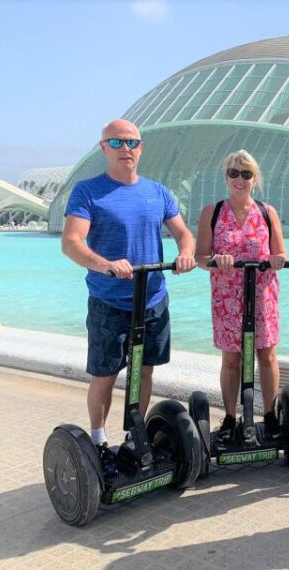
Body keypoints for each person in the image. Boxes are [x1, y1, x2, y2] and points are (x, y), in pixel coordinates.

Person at [62, 118, 196, 475]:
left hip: (152, 299)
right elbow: (72, 243)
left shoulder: (158, 192)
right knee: (104, 375)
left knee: (144, 371)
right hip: (110, 301)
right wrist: (104, 264)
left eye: (132, 143)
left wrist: (185, 253)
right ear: (103, 147)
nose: (126, 150)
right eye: (117, 143)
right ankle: (99, 439)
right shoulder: (88, 191)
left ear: (141, 148)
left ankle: (134, 436)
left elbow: (184, 234)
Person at [194, 150, 287, 443]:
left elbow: (280, 252)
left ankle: (270, 415)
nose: (239, 179)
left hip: (262, 294)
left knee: (267, 355)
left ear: (254, 179)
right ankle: (231, 417)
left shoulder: (267, 212)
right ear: (226, 177)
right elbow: (199, 256)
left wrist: (278, 260)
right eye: (234, 173)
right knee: (231, 359)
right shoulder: (212, 212)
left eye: (246, 174)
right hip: (227, 297)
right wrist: (215, 260)